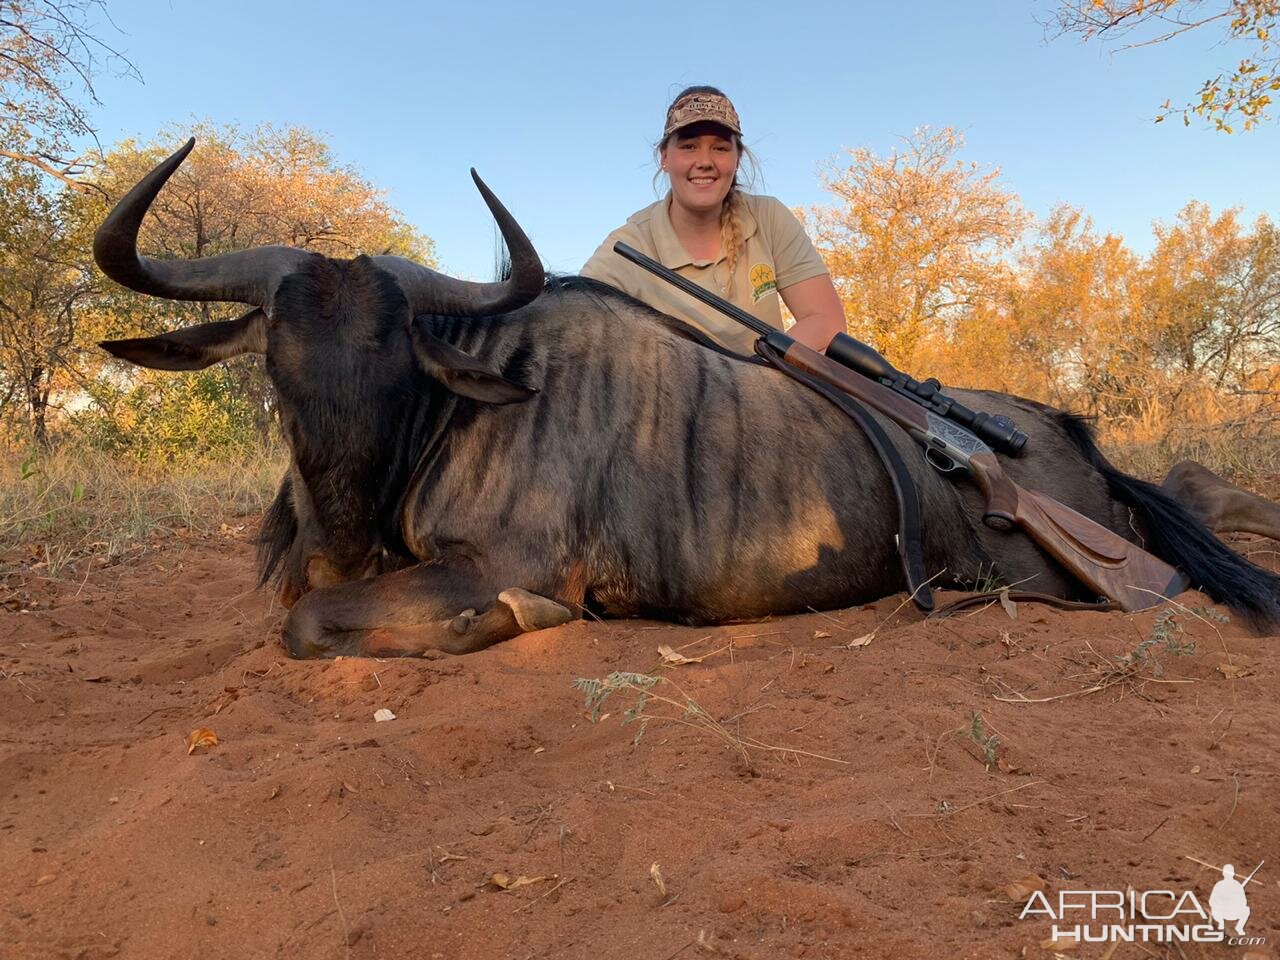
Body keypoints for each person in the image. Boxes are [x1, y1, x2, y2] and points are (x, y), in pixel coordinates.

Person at [581, 85, 846, 355]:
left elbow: (826, 322)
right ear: (664, 158)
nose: (705, 161)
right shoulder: (628, 244)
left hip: (768, 388)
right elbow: (576, 324)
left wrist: (755, 374)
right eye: (689, 146)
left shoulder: (769, 217)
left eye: (720, 148)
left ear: (737, 158)